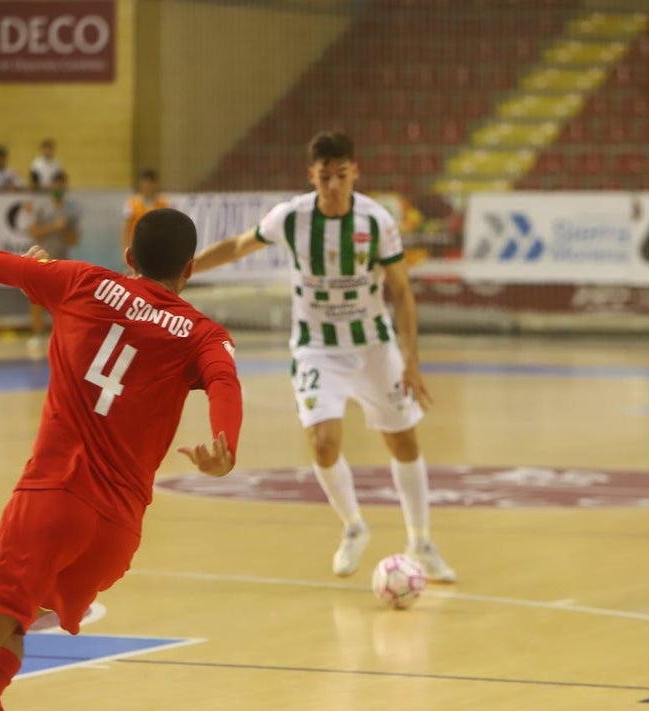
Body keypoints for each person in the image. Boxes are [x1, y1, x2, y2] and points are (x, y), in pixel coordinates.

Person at [0, 208, 243, 711]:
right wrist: (224, 445)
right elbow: (224, 382)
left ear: (128, 257)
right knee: (12, 624)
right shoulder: (201, 332)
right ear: (189, 269)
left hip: (54, 499)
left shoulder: (80, 282)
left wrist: (32, 266)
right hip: (115, 534)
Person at [192, 131, 455, 582]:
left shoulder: (376, 221)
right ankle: (354, 527)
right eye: (324, 176)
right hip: (317, 348)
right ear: (311, 176)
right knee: (323, 443)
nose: (333, 185)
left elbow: (402, 293)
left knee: (403, 441)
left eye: (342, 175)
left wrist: (411, 361)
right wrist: (186, 269)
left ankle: (420, 541)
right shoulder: (291, 217)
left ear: (356, 172)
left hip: (373, 346)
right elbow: (238, 245)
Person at [26, 170, 80, 346]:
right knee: (36, 297)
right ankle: (37, 334)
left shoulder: (71, 210)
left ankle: (62, 335)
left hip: (63, 261)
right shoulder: (42, 207)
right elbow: (34, 232)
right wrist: (53, 227)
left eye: (62, 184)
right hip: (42, 257)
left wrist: (65, 230)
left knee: (64, 301)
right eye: (56, 184)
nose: (59, 187)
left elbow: (74, 240)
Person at [122, 168, 168, 250]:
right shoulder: (131, 203)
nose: (148, 186)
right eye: (145, 183)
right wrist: (124, 249)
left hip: (157, 247)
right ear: (140, 184)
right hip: (136, 247)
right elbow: (126, 228)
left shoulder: (164, 204)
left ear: (156, 184)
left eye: (151, 183)